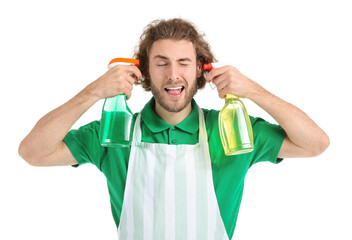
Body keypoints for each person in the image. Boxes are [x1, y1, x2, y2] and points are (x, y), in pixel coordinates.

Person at [18, 18, 329, 239]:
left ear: (200, 69)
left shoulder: (232, 131)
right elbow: (32, 152)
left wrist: (254, 91)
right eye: (162, 62)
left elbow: (315, 143)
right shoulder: (114, 134)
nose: (173, 74)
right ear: (144, 71)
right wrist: (93, 91)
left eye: (184, 62)